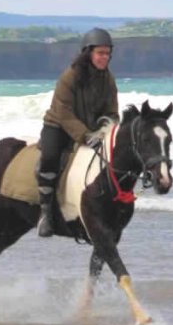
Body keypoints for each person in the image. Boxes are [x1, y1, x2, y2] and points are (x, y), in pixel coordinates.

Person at [36, 27, 119, 237]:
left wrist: (103, 131)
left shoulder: (108, 79)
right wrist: (85, 136)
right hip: (58, 125)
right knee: (50, 157)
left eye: (108, 53)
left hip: (90, 130)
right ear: (88, 53)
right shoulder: (70, 76)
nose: (105, 57)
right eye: (100, 53)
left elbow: (112, 113)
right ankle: (45, 213)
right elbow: (63, 111)